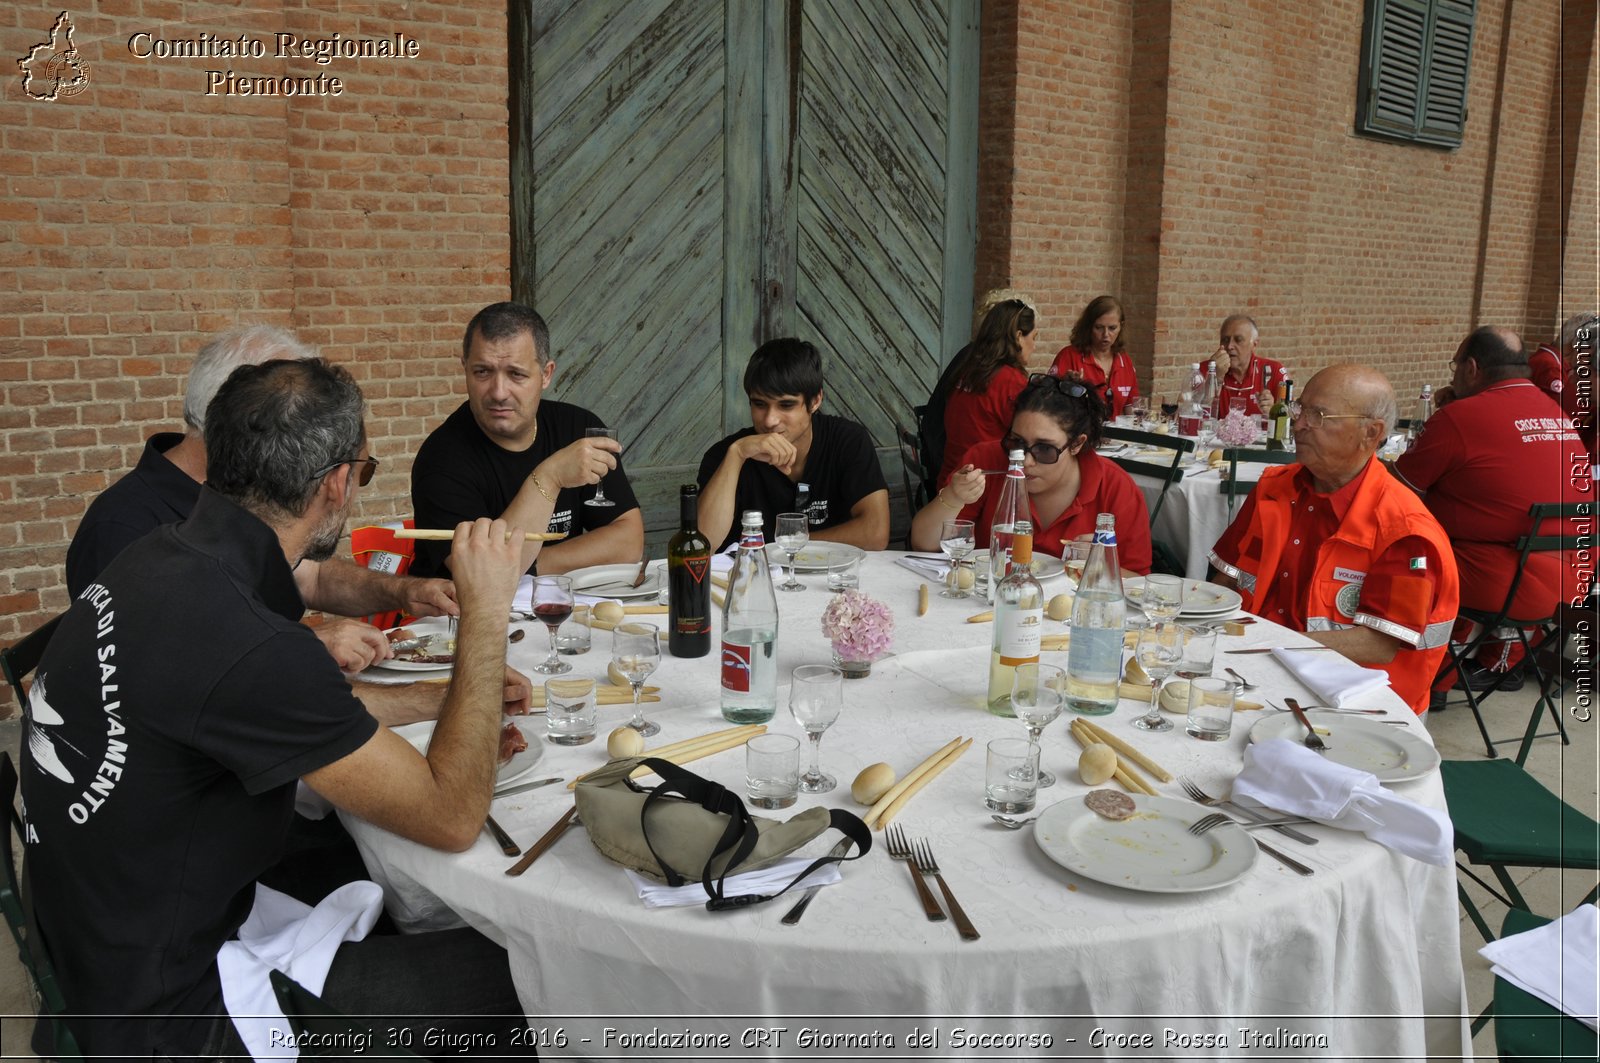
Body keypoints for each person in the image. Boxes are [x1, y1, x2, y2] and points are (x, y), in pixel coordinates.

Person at [22, 359, 532, 1057]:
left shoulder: (156, 559)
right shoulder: (246, 636)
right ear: (336, 482)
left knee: (358, 864)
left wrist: (438, 701)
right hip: (175, 1012)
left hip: (101, 942)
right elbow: (450, 815)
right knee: (533, 976)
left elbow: (276, 703)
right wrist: (488, 608)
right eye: (363, 470)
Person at [64, 324, 455, 674]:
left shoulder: (248, 493)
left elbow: (310, 576)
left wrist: (404, 591)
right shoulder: (122, 524)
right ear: (234, 409)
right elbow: (140, 668)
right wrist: (303, 646)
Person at [1209, 365, 1459, 714]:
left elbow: (1380, 644)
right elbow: (1226, 581)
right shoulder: (1274, 488)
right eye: (1300, 409)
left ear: (1370, 434)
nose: (1298, 424)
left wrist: (1271, 646)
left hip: (1357, 704)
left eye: (1319, 415)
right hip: (1253, 676)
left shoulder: (1403, 530)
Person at [1394, 327, 1593, 691]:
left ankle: (1426, 679)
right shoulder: (1556, 413)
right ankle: (1485, 662)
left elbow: (1400, 488)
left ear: (1471, 368)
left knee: (1403, 553)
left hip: (1502, 581)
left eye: (1454, 366)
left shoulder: (1462, 418)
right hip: (1572, 584)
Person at [410, 301, 643, 578]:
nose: (498, 392)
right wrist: (549, 476)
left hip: (562, 607)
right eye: (482, 372)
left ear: (546, 374)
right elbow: (485, 575)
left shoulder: (578, 427)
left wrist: (529, 565)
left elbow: (629, 542)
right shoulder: (442, 459)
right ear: (465, 368)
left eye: (516, 374)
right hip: (459, 617)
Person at [910, 373, 1152, 574]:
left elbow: (1138, 582)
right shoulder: (986, 460)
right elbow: (923, 543)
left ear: (1077, 444)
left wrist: (1103, 565)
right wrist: (953, 497)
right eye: (1016, 443)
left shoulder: (1116, 488)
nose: (1025, 460)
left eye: (1045, 449)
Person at [697, 337, 890, 551]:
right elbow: (703, 544)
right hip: (752, 581)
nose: (770, 420)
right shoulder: (724, 454)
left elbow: (876, 533)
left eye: (786, 405)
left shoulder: (848, 440)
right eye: (759, 404)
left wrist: (787, 546)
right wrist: (737, 455)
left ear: (815, 401)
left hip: (833, 578)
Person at [921, 288, 1038, 489]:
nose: (1034, 346)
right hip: (983, 486)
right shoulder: (1010, 380)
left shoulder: (968, 367)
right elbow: (1032, 437)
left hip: (950, 482)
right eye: (1034, 337)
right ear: (1019, 336)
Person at [1048, 295, 1140, 418]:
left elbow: (1132, 410)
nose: (1106, 334)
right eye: (1099, 327)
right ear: (1089, 327)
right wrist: (1066, 386)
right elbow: (1047, 403)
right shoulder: (1069, 356)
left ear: (1121, 326)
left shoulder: (1125, 360)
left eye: (1112, 328)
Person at [1212, 314, 1286, 417]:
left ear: (1254, 344)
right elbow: (1193, 413)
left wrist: (1274, 412)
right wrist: (1215, 378)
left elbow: (1293, 420)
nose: (1229, 346)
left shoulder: (1273, 370)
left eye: (1238, 340)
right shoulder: (1207, 370)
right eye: (1225, 340)